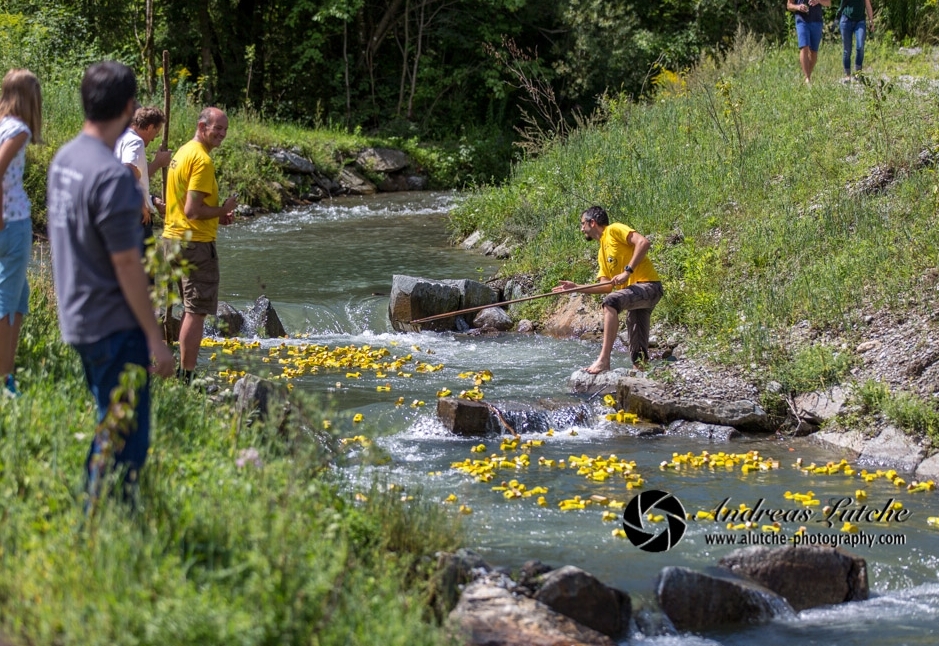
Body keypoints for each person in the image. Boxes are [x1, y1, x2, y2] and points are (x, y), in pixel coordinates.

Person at [46, 61, 174, 501]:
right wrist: (156, 340)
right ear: (129, 107)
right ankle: (104, 528)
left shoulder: (64, 160)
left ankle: (95, 521)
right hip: (113, 325)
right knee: (126, 443)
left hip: (76, 316)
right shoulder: (112, 178)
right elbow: (127, 267)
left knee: (109, 425)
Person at [161, 107, 237, 384]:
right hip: (194, 244)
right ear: (202, 126)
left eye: (225, 130)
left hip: (173, 238)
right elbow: (193, 210)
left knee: (187, 308)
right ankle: (186, 376)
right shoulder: (202, 160)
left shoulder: (181, 153)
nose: (221, 134)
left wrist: (218, 216)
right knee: (195, 312)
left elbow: (180, 205)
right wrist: (223, 209)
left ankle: (181, 371)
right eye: (217, 128)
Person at [553, 206, 663, 374]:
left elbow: (643, 242)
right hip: (633, 296)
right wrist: (576, 288)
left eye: (583, 224)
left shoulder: (613, 230)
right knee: (638, 355)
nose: (582, 228)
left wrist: (627, 272)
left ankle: (604, 360)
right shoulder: (601, 252)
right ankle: (642, 380)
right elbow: (606, 286)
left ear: (593, 222)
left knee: (611, 302)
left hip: (649, 287)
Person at [0, 69, 41, 398]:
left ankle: (8, 372)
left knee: (20, 297)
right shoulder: (20, 129)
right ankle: (5, 379)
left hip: (9, 221)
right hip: (11, 222)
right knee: (6, 300)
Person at [114, 106, 171, 247]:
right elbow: (127, 171)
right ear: (149, 127)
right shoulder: (135, 141)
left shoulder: (120, 138)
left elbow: (134, 178)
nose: (153, 139)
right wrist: (141, 205)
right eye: (156, 133)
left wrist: (151, 199)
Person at [787, 0, 832, 84]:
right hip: (802, 21)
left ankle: (808, 76)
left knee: (814, 52)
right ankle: (807, 78)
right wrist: (798, 7)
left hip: (817, 21)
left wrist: (818, 1)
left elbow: (828, 3)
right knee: (804, 47)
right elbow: (789, 5)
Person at [838, 0, 874, 82]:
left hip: (860, 21)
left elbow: (868, 4)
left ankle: (858, 72)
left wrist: (871, 21)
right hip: (846, 20)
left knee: (860, 46)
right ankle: (847, 74)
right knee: (847, 50)